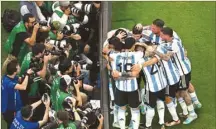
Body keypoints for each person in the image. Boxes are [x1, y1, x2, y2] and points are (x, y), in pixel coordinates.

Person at [160, 27, 198, 124]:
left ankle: (192, 114)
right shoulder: (174, 40)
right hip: (183, 70)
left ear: (166, 35)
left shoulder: (175, 44)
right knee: (180, 93)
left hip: (183, 73)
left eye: (161, 34)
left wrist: (154, 51)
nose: (160, 36)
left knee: (184, 94)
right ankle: (189, 109)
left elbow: (167, 57)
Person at [110, 37, 143, 129]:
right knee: (135, 110)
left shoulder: (114, 56)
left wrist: (120, 74)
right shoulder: (137, 55)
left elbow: (105, 51)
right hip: (132, 89)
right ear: (133, 46)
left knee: (121, 109)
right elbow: (135, 74)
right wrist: (131, 75)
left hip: (120, 88)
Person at [1, 59, 33, 129]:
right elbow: (23, 87)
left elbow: (21, 79)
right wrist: (27, 74)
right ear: (14, 71)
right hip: (9, 111)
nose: (19, 67)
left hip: (9, 108)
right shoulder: (8, 83)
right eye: (18, 66)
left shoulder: (8, 76)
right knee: (13, 125)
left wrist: (27, 75)